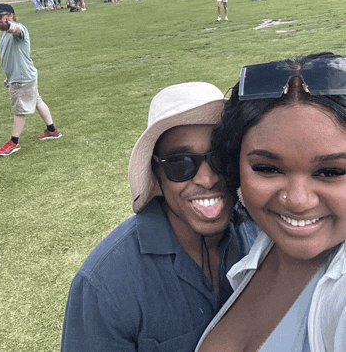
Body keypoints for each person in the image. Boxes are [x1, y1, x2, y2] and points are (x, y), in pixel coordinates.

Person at [61, 82, 260, 351]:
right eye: (181, 163)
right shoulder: (105, 284)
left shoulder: (262, 231)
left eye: (221, 158)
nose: (208, 178)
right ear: (156, 173)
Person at [196, 53, 346, 352]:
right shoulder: (259, 254)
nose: (299, 201)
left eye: (331, 172)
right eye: (267, 168)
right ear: (234, 167)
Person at [0, 4, 62, 156]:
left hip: (22, 79)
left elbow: (15, 29)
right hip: (22, 76)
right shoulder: (5, 35)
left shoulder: (18, 29)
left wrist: (8, 24)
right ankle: (52, 131)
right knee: (37, 101)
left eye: (0, 16)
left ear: (10, 16)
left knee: (19, 110)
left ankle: (14, 142)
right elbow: (12, 57)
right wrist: (9, 77)